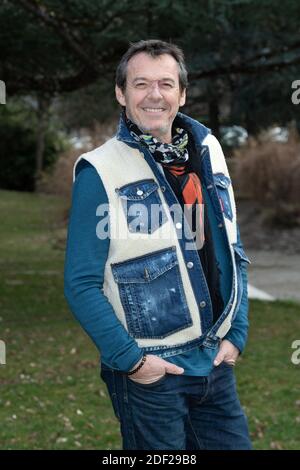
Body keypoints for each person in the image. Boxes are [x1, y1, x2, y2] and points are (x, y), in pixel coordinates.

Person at [64, 39, 252, 450]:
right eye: (140, 83)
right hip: (152, 373)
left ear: (181, 94)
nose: (154, 94)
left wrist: (236, 331)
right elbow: (80, 283)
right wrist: (133, 362)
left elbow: (233, 249)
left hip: (215, 363)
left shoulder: (209, 151)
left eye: (166, 84)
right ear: (121, 93)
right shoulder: (99, 171)